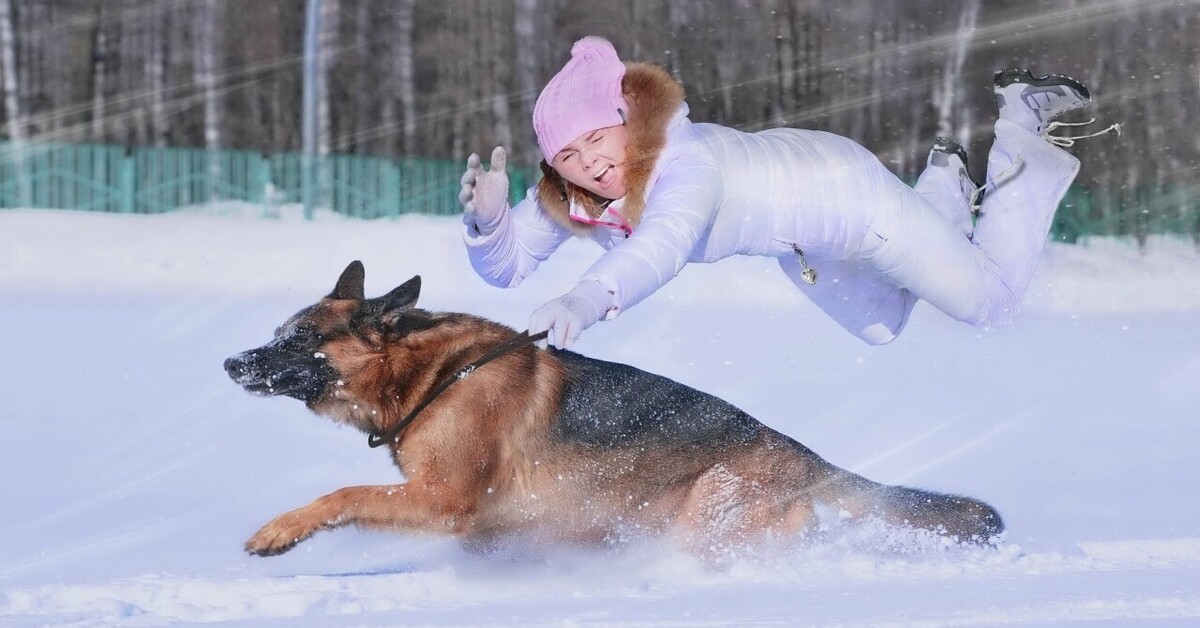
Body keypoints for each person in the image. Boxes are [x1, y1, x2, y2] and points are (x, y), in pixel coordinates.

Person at [458, 36, 1117, 348]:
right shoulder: (580, 192)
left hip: (851, 200)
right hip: (800, 240)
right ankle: (944, 176)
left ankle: (1022, 126)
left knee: (990, 302)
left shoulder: (688, 166)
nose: (589, 163)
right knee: (882, 327)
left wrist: (586, 296)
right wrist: (490, 226)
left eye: (595, 138)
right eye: (568, 155)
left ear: (624, 117)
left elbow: (662, 246)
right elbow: (508, 267)